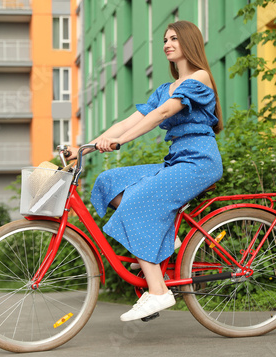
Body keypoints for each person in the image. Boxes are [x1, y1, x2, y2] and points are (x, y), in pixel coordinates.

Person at [69, 20, 223, 321]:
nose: (167, 43)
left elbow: (162, 113)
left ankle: (158, 291)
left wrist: (120, 142)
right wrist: (85, 146)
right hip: (176, 160)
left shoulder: (200, 78)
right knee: (108, 181)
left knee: (137, 207)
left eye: (175, 38)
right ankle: (163, 239)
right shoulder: (165, 88)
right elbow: (128, 121)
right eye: (165, 39)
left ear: (189, 42)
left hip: (199, 161)